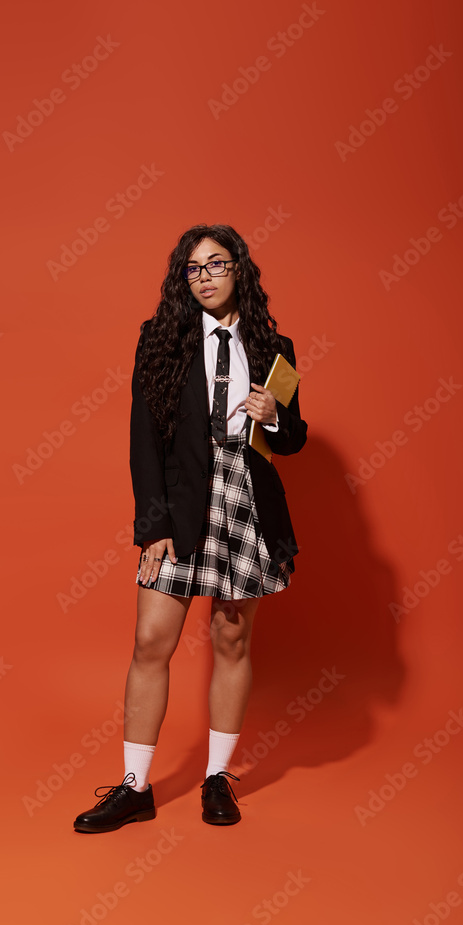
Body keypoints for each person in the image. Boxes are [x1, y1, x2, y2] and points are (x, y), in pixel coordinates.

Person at [73, 223, 307, 833]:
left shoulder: (273, 344)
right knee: (152, 641)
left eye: (216, 264)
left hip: (245, 496)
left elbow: (293, 440)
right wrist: (153, 525)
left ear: (239, 270)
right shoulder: (161, 339)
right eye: (193, 268)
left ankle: (217, 779)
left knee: (232, 639)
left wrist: (274, 416)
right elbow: (143, 439)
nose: (204, 277)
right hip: (180, 501)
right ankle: (134, 787)